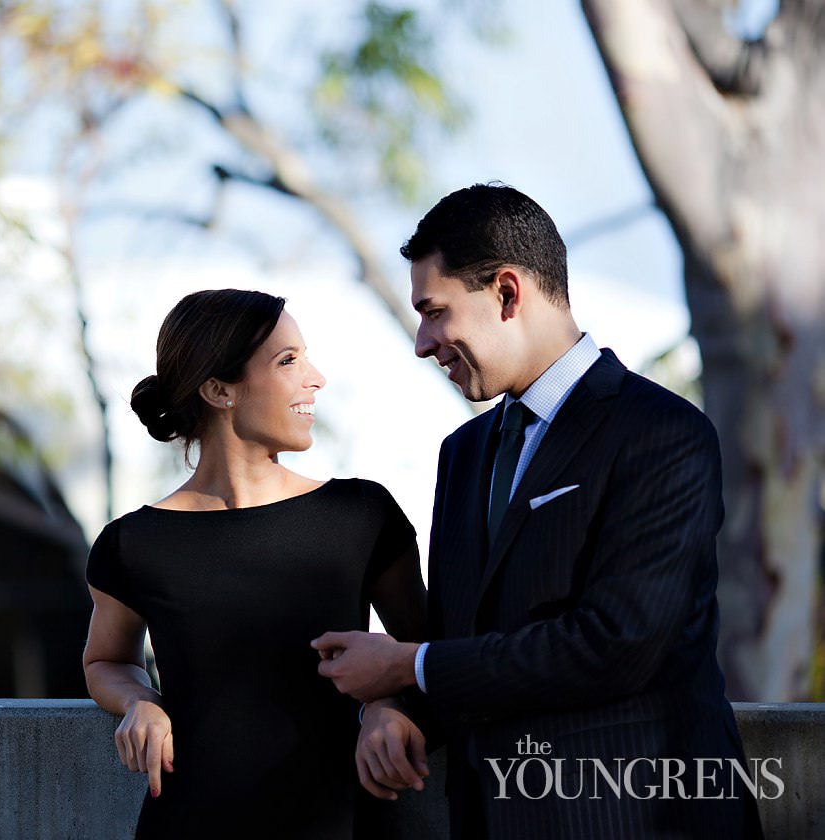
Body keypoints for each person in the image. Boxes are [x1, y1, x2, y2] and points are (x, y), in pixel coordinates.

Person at [311, 184, 765, 839]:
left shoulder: (663, 432)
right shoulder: (462, 453)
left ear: (505, 292)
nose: (422, 341)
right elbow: (467, 637)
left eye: (435, 311)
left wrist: (408, 665)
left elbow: (617, 644)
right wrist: (394, 707)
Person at [82, 289, 428, 839]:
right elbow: (105, 661)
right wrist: (141, 702)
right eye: (288, 361)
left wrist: (388, 706)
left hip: (350, 823)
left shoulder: (362, 514)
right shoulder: (134, 543)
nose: (315, 377)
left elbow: (430, 653)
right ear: (219, 389)